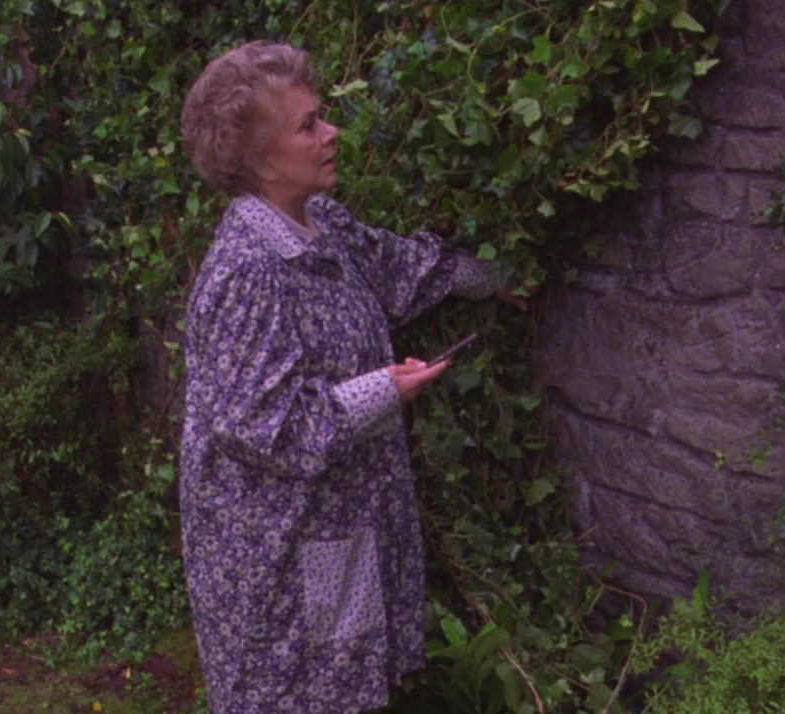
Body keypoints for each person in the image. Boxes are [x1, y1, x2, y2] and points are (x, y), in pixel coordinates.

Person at [178, 40, 503, 713]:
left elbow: (399, 270)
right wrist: (387, 389)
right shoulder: (247, 274)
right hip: (277, 557)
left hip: (335, 535)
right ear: (258, 159)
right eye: (308, 126)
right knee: (300, 697)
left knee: (345, 691)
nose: (331, 133)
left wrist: (497, 276)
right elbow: (270, 429)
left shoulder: (317, 224)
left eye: (320, 116)